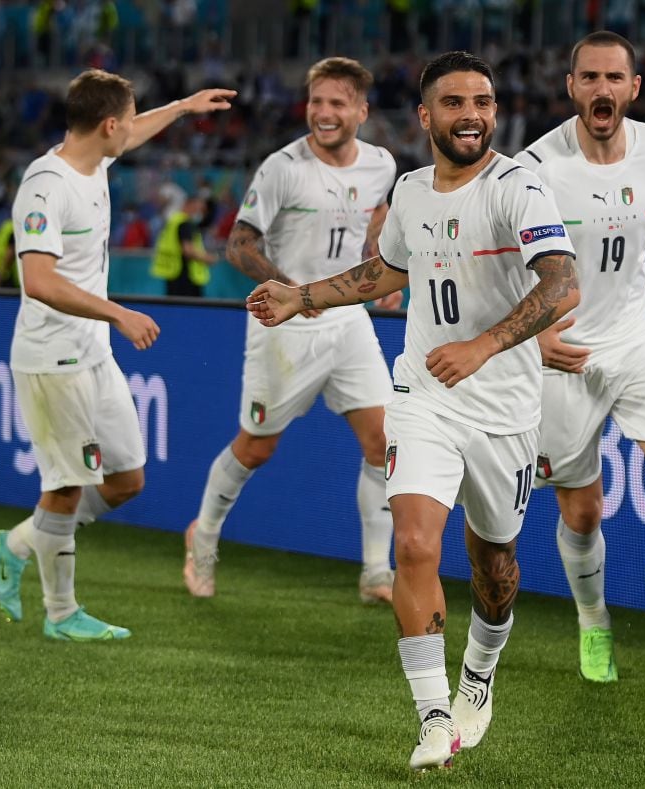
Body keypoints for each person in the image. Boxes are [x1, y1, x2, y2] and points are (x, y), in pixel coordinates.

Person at [247, 51, 579, 771]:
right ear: (425, 116)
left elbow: (563, 285)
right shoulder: (410, 191)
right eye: (455, 103)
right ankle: (433, 717)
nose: (473, 115)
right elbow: (389, 271)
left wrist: (483, 345)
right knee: (417, 544)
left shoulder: (519, 186)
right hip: (424, 396)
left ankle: (478, 678)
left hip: (506, 409)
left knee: (495, 562)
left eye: (484, 101)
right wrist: (300, 295)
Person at [0, 69, 236, 641]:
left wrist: (184, 106)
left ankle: (13, 544)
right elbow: (40, 280)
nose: (132, 130)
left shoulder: (95, 158)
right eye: (128, 118)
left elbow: (136, 130)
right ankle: (61, 613)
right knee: (66, 486)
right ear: (107, 124)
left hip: (91, 352)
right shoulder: (45, 187)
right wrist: (117, 312)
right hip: (52, 358)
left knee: (125, 479)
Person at [512, 31, 645, 683]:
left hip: (634, 337)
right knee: (581, 510)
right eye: (589, 77)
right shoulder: (535, 167)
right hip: (563, 349)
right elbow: (496, 261)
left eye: (614, 78)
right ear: (571, 87)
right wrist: (534, 335)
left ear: (634, 88)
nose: (602, 88)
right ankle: (593, 621)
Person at [181, 57, 401, 605]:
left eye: (336, 103)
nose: (323, 113)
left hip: (348, 320)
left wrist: (380, 268)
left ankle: (376, 571)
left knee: (384, 444)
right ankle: (202, 535)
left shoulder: (381, 164)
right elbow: (239, 245)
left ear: (360, 110)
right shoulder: (282, 167)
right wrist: (291, 294)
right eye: (316, 102)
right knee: (256, 449)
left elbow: (374, 220)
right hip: (283, 325)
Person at [150, 194, 218, 297]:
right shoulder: (185, 224)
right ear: (189, 205)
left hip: (174, 275)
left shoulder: (174, 221)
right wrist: (208, 258)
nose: (200, 213)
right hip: (186, 279)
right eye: (199, 209)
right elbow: (188, 250)